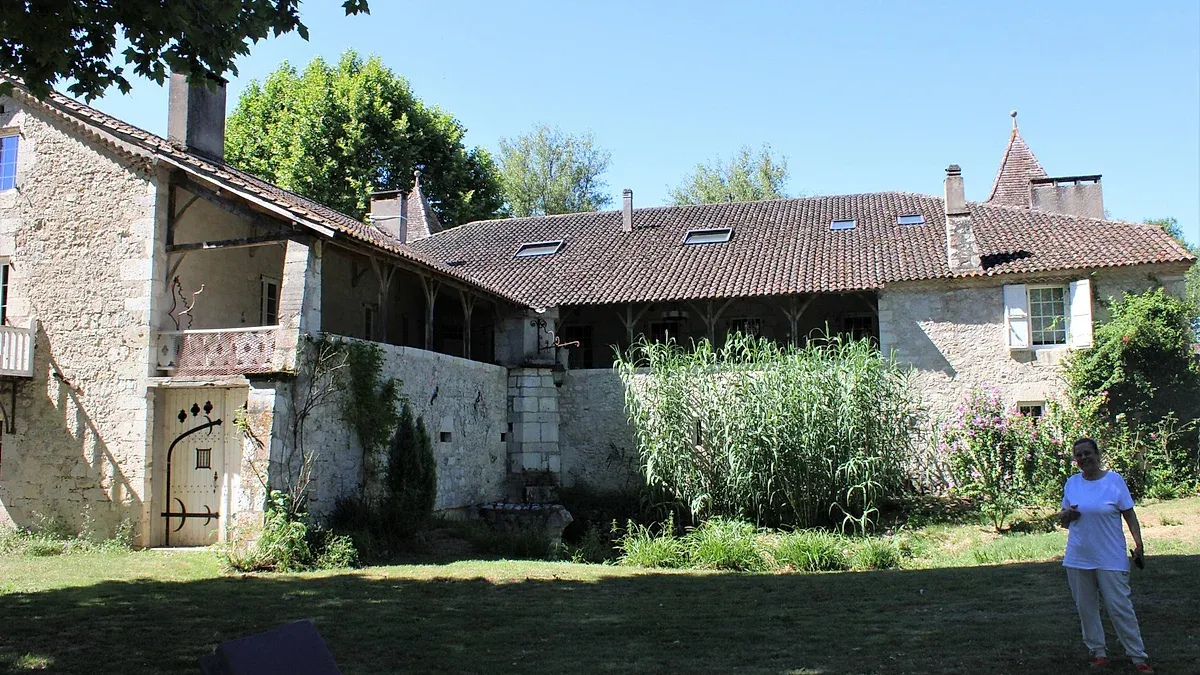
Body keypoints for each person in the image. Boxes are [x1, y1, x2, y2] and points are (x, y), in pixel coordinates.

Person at [1056, 437, 1153, 673]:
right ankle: (1098, 653)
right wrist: (1067, 515)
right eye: (1079, 455)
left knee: (1120, 607)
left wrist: (1138, 544)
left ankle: (1138, 657)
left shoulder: (1114, 481)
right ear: (1075, 460)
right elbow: (1063, 521)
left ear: (1097, 454)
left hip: (1111, 556)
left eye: (1087, 453)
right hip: (1079, 556)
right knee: (1086, 608)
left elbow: (1130, 515)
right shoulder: (1072, 483)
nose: (1083, 458)